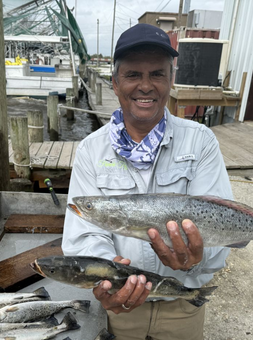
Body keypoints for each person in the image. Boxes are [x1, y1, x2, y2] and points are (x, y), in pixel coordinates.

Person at [62, 23, 233, 340]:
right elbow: (84, 235)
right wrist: (106, 276)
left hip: (183, 304)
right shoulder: (90, 150)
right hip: (120, 307)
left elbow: (220, 231)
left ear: (171, 80)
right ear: (115, 82)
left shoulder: (201, 142)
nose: (145, 85)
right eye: (132, 75)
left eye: (157, 74)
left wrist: (196, 259)